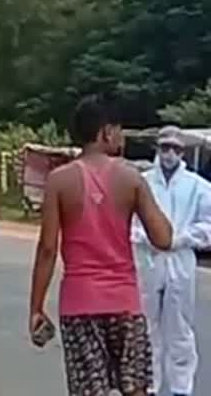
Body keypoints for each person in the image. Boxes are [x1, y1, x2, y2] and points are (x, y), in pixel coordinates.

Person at [29, 94, 173, 396]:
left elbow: (47, 249)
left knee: (89, 390)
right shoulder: (131, 178)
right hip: (124, 303)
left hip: (79, 303)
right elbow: (163, 238)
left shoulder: (59, 181)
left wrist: (36, 308)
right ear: (106, 132)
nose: (121, 136)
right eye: (119, 129)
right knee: (135, 388)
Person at [132, 125, 211, 396]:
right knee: (146, 324)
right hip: (149, 259)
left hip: (180, 259)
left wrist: (180, 239)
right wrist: (147, 237)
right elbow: (128, 222)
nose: (169, 153)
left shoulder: (198, 187)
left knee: (179, 326)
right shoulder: (141, 182)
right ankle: (149, 385)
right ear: (157, 149)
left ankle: (181, 387)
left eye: (175, 148)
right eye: (165, 147)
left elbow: (208, 226)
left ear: (182, 151)